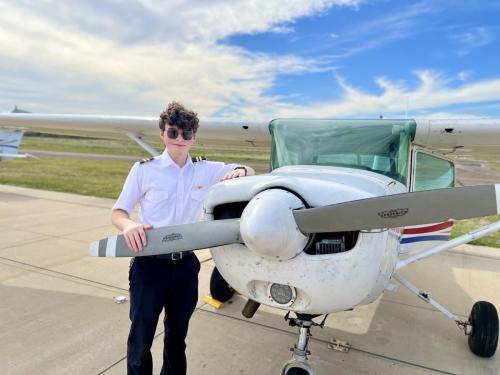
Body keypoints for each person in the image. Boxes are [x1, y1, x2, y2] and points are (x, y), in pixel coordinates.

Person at [111, 101, 255, 375]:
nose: (180, 139)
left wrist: (241, 172)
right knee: (140, 340)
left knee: (177, 340)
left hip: (186, 267)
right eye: (174, 132)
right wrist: (128, 225)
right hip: (149, 266)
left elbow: (248, 169)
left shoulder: (205, 170)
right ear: (163, 134)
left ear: (193, 137)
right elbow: (118, 211)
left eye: (186, 134)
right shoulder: (144, 169)